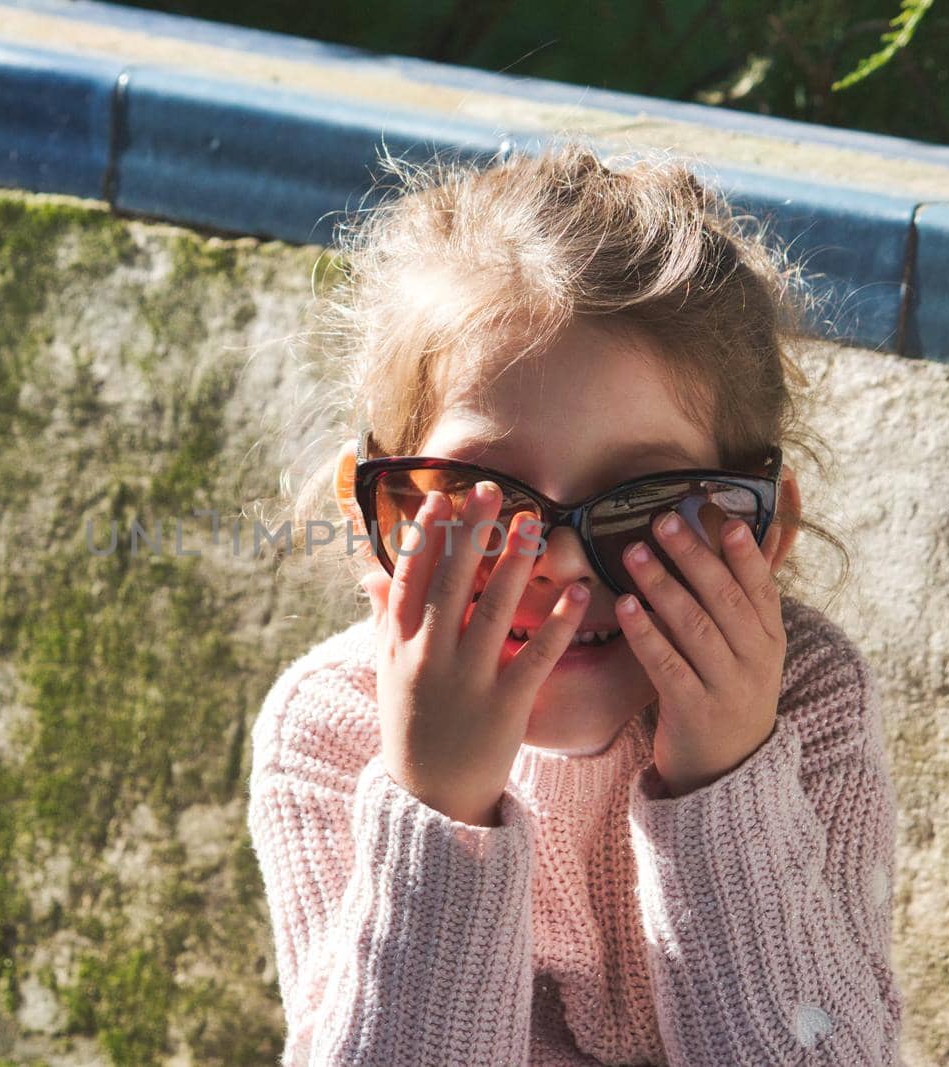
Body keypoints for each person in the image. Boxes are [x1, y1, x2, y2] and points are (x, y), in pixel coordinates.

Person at [246, 140, 903, 1065]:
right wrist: (440, 807)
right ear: (385, 510)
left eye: (645, 504)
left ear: (763, 531)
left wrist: (725, 778)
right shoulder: (332, 731)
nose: (556, 560)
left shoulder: (803, 700)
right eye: (485, 498)